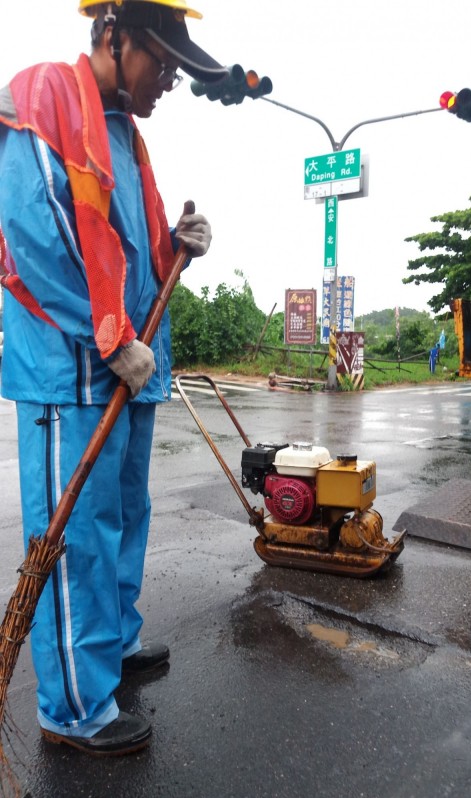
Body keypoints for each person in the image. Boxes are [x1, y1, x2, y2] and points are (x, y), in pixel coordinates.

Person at [0, 0, 226, 756]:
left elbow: (127, 246)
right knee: (75, 542)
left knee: (124, 518)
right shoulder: (40, 97)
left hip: (130, 367)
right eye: (160, 62)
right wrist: (111, 339)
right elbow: (37, 237)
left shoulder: (126, 136)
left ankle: (110, 647)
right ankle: (72, 708)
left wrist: (176, 243)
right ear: (111, 36)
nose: (168, 80)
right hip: (75, 369)